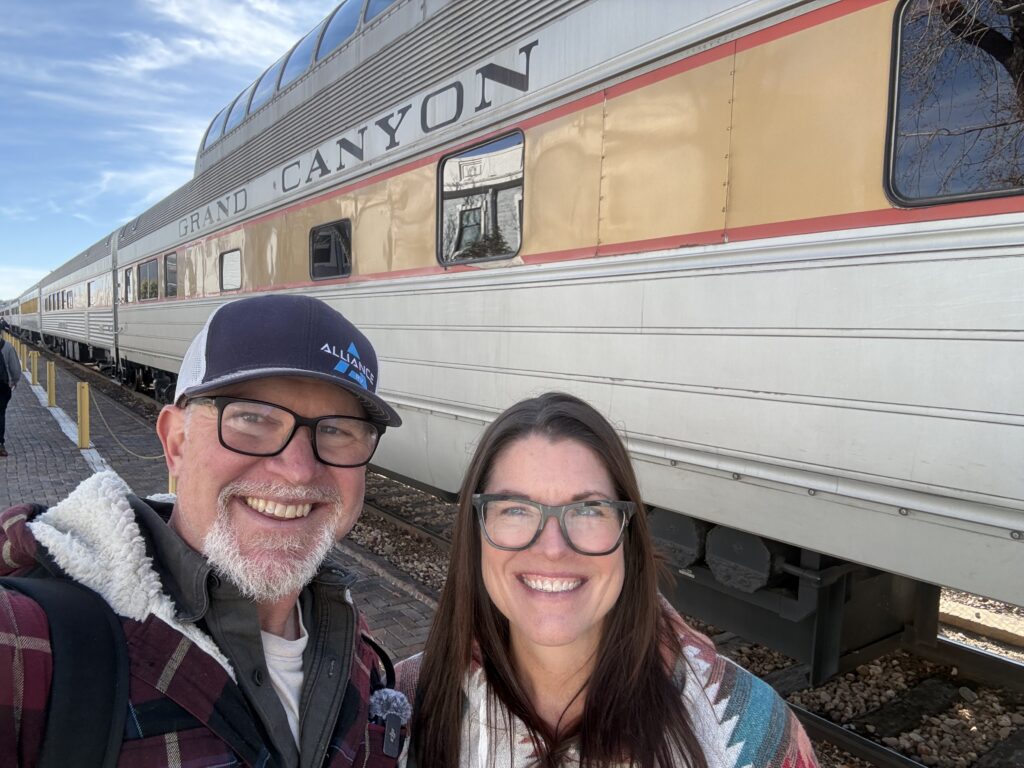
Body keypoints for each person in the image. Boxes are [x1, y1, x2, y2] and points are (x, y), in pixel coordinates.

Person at [0, 294, 406, 767]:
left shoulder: (357, 647)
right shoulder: (29, 643)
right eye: (252, 418)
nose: (297, 471)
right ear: (176, 443)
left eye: (337, 430)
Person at [399, 392, 818, 767]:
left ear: (627, 535)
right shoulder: (394, 709)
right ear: (477, 532)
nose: (553, 548)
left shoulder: (755, 732)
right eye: (515, 509)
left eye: (587, 510)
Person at [0, 328, 21, 457]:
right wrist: (13, 382)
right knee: (0, 414)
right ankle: (0, 445)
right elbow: (16, 369)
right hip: (2, 387)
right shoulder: (7, 346)